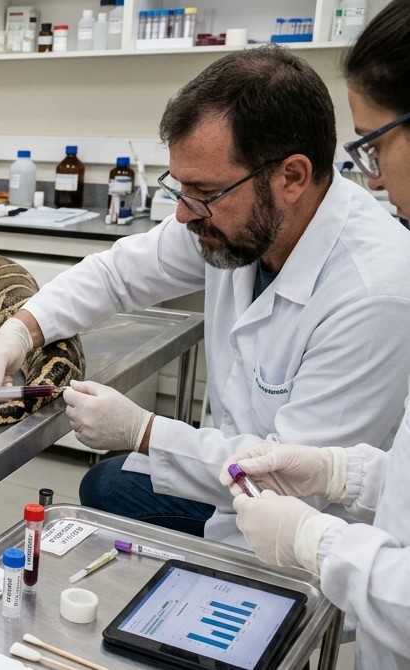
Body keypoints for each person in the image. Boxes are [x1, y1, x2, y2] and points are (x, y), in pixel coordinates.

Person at [0, 45, 410, 543]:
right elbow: (119, 272)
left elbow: (299, 483)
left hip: (304, 539)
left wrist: (145, 432)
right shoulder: (234, 219)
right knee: (105, 485)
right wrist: (24, 327)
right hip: (230, 483)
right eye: (180, 188)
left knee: (113, 487)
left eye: (204, 192)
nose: (183, 214)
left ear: (291, 177)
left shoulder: (375, 294)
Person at [225, 3, 410, 667]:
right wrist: (345, 472)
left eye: (375, 141)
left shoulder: (379, 283)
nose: (377, 177)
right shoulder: (240, 224)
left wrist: (316, 542)